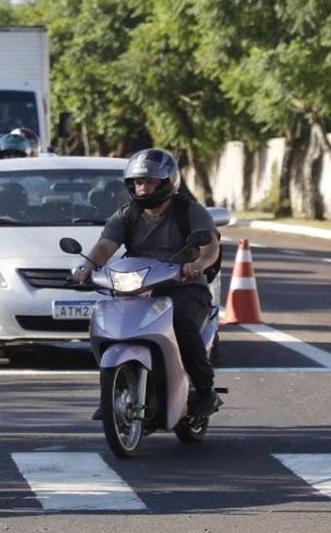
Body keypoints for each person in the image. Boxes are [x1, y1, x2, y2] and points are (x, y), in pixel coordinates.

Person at [71, 148, 222, 418]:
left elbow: (210, 246)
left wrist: (198, 264)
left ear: (167, 183)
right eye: (138, 182)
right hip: (139, 287)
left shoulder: (190, 211)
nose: (143, 188)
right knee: (110, 323)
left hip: (184, 286)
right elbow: (106, 245)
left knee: (182, 322)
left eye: (150, 182)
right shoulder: (127, 214)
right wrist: (88, 267)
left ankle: (204, 390)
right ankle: (112, 390)